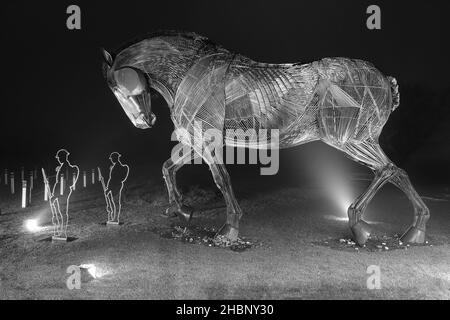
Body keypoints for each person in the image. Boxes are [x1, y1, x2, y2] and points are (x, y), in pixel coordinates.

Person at [50, 149, 79, 238]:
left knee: (62, 212)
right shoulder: (62, 167)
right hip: (59, 193)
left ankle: (63, 232)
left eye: (59, 157)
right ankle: (61, 231)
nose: (58, 159)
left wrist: (56, 195)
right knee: (59, 212)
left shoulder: (67, 168)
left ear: (63, 157)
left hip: (62, 193)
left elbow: (64, 183)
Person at [104, 152, 129, 223]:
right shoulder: (114, 167)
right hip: (113, 186)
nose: (111, 160)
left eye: (112, 158)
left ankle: (115, 218)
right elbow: (111, 179)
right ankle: (114, 217)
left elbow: (113, 179)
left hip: (115, 187)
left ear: (116, 158)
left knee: (115, 203)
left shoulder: (118, 167)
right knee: (114, 202)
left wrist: (108, 189)